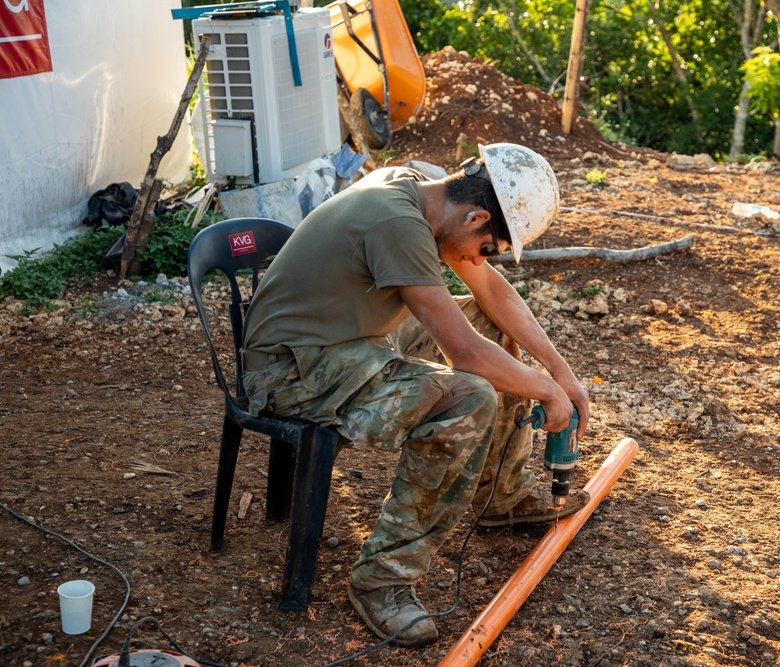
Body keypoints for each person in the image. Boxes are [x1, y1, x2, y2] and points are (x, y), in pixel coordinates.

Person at [240, 143, 590, 647]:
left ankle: (499, 496)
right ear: (476, 216)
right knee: (468, 396)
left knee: (484, 318)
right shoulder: (395, 223)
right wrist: (545, 391)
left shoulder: (421, 191)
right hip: (293, 368)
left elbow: (493, 293)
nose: (477, 259)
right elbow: (466, 356)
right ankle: (382, 579)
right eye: (486, 247)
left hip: (349, 337)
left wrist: (561, 373)